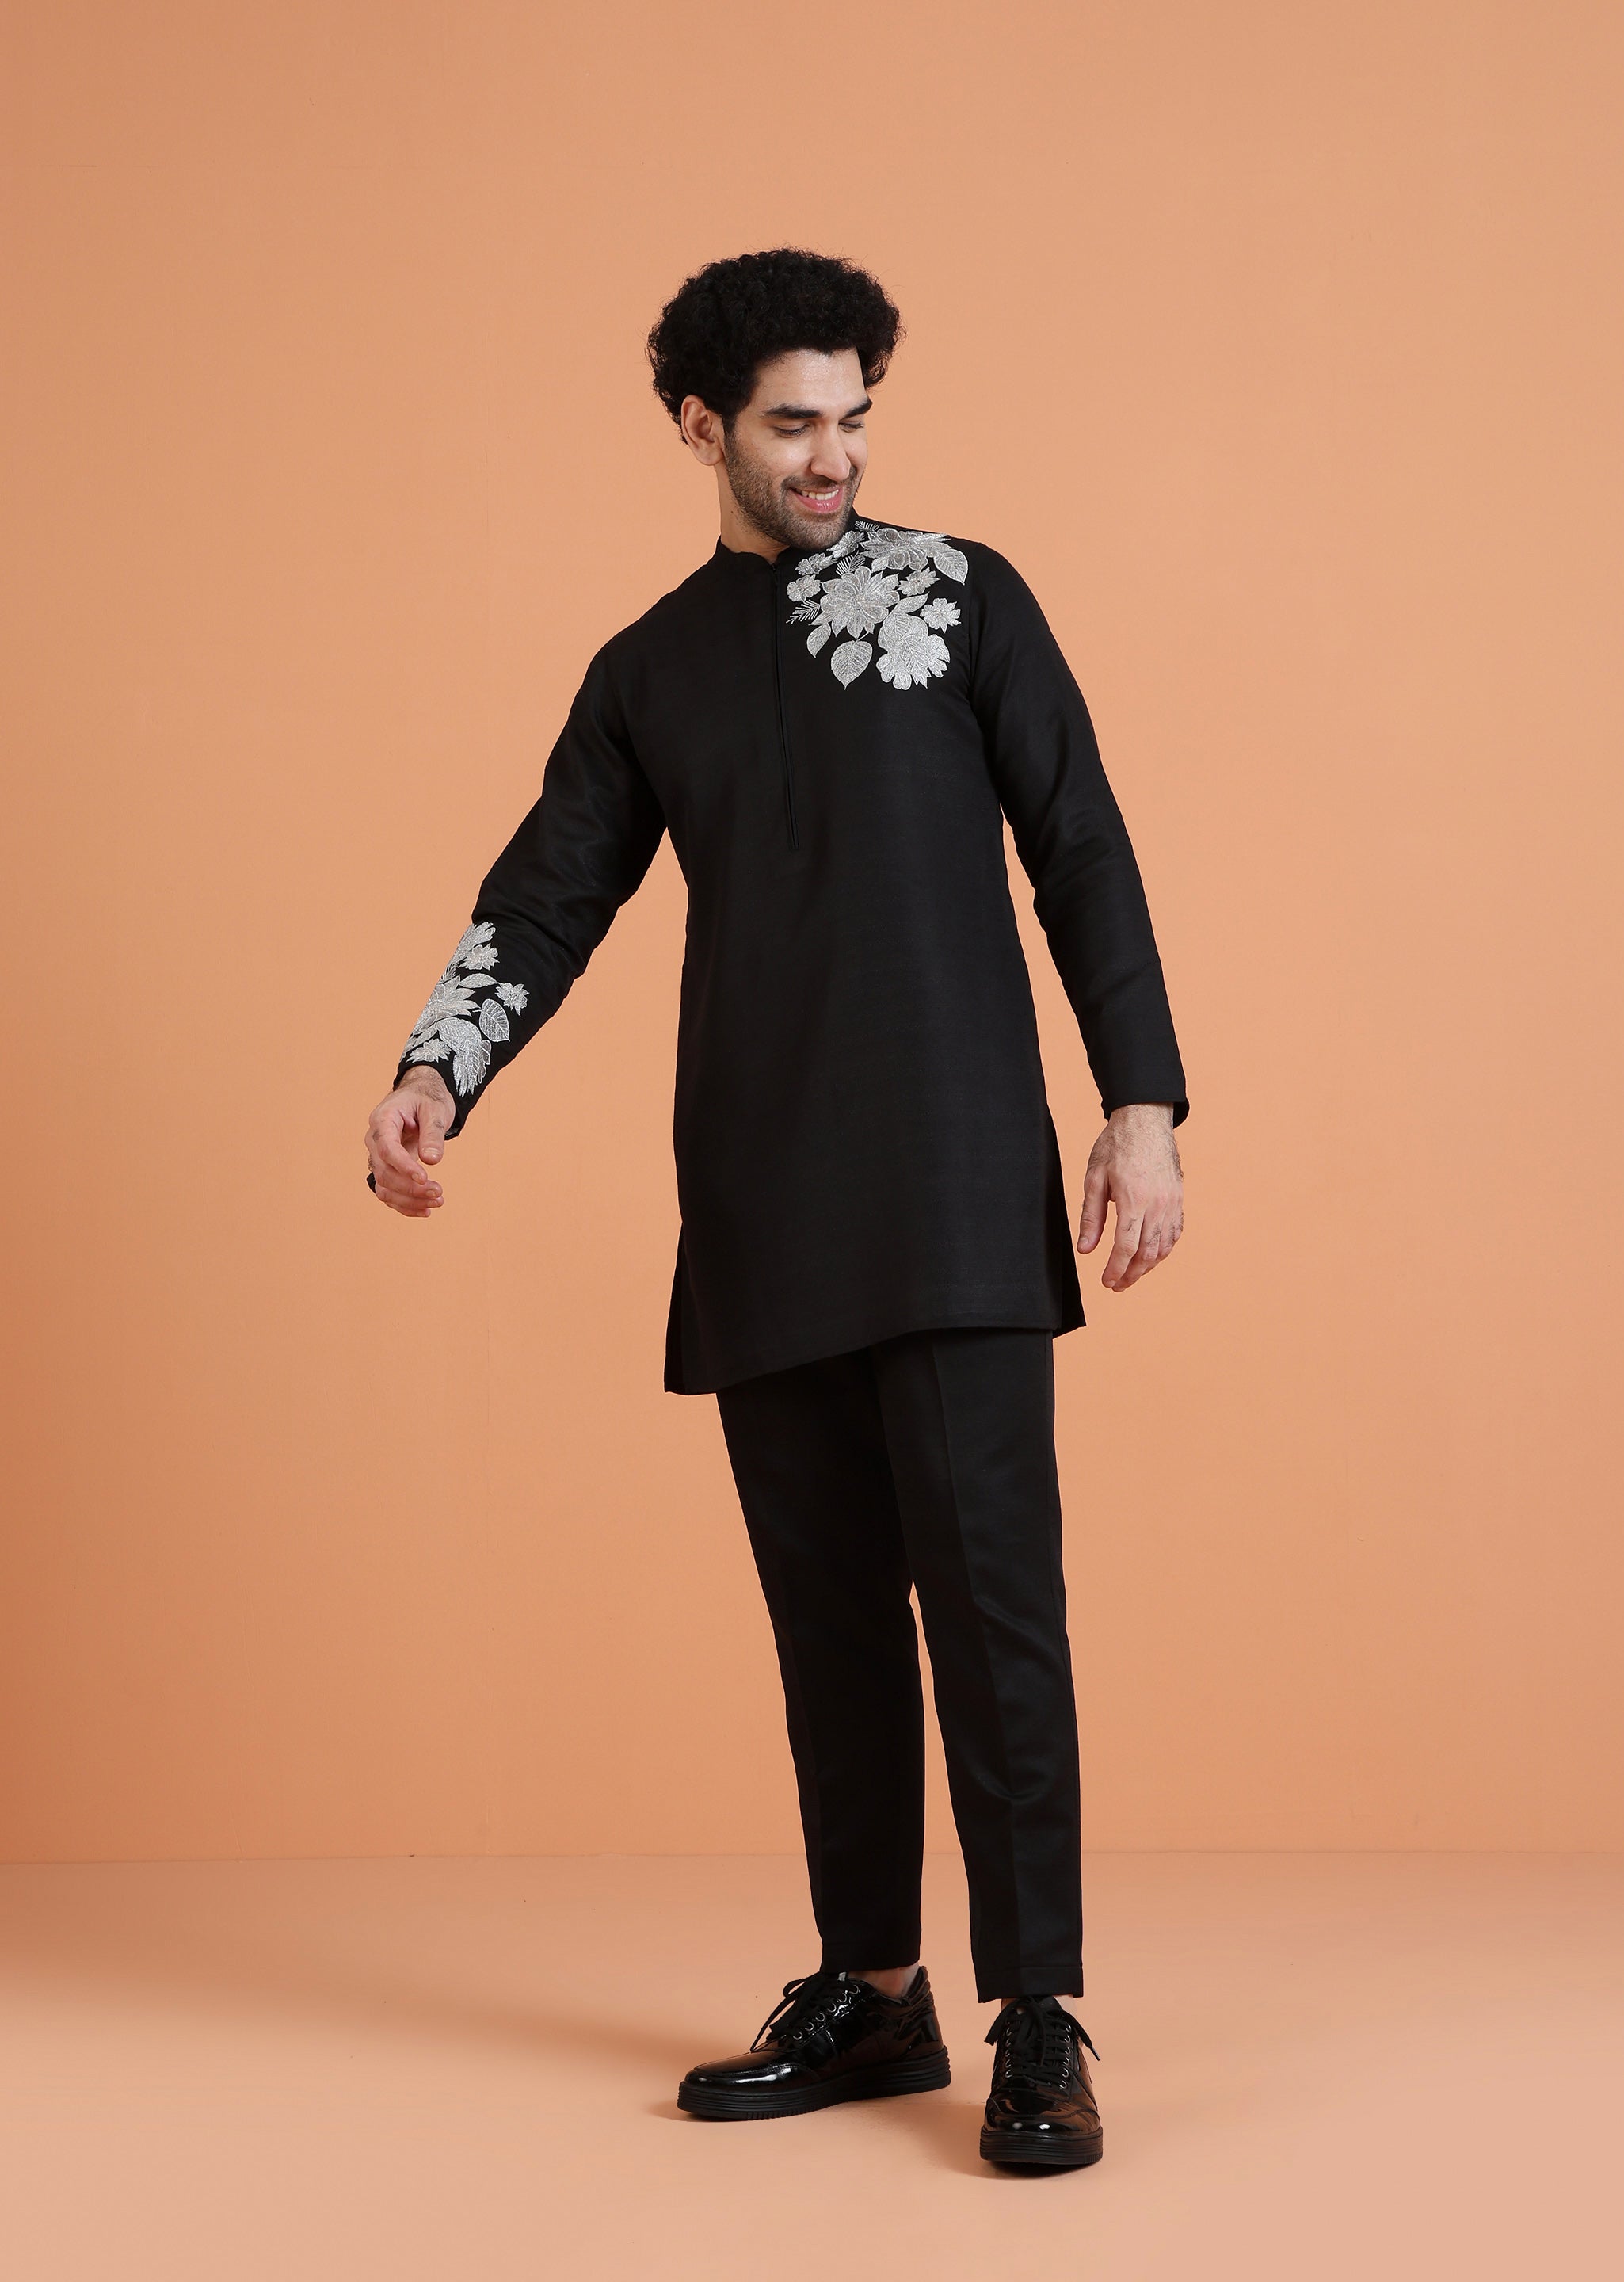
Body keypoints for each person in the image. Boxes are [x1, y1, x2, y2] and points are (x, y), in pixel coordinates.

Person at [364, 249, 1188, 2170]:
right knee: (829, 1624)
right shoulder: (647, 671)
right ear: (700, 427)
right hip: (761, 1201)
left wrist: (1140, 1107)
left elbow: (1082, 846)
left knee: (996, 1613)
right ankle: (875, 1992)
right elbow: (547, 893)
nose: (833, 457)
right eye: (793, 424)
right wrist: (437, 1067)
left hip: (960, 1188)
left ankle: (1038, 2016)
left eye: (854, 420)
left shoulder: (968, 595)